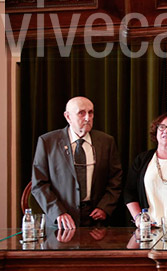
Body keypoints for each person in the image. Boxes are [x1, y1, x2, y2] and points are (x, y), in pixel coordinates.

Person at [31, 96, 122, 231]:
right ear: (68, 117)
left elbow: (115, 179)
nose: (87, 118)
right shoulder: (48, 142)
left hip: (96, 221)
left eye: (90, 113)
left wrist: (105, 207)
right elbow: (39, 184)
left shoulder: (106, 141)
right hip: (62, 223)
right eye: (81, 113)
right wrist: (58, 212)